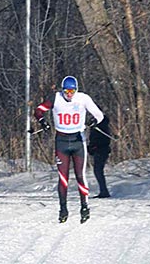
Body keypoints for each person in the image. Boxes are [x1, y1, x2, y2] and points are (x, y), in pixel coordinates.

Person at [34, 76, 104, 223]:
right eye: (67, 91)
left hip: (78, 141)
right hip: (61, 142)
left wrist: (93, 121)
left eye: (72, 91)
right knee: (63, 177)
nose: (69, 94)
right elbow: (39, 110)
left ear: (76, 90)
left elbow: (99, 115)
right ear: (62, 90)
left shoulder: (83, 98)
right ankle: (63, 209)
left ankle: (84, 207)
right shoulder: (56, 98)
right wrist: (42, 121)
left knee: (80, 175)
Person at [88, 114, 112, 198]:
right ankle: (103, 191)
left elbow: (103, 139)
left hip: (101, 150)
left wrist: (94, 146)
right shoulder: (96, 124)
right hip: (98, 150)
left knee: (98, 170)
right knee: (98, 170)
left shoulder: (101, 124)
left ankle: (104, 191)